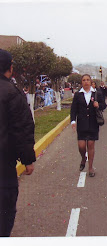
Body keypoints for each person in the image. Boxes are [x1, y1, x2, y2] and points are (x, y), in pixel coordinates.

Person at [0, 49, 36, 237]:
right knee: (4, 216)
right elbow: (22, 128)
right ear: (10, 68)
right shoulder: (12, 93)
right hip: (4, 167)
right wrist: (27, 159)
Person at [70, 74, 107, 177]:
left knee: (90, 145)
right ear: (81, 82)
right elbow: (73, 110)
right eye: (84, 80)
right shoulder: (78, 95)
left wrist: (98, 105)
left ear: (91, 82)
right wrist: (73, 121)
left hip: (93, 123)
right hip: (82, 124)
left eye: (87, 80)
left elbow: (104, 105)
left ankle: (90, 168)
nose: (86, 82)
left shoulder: (97, 94)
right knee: (81, 146)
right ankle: (83, 158)